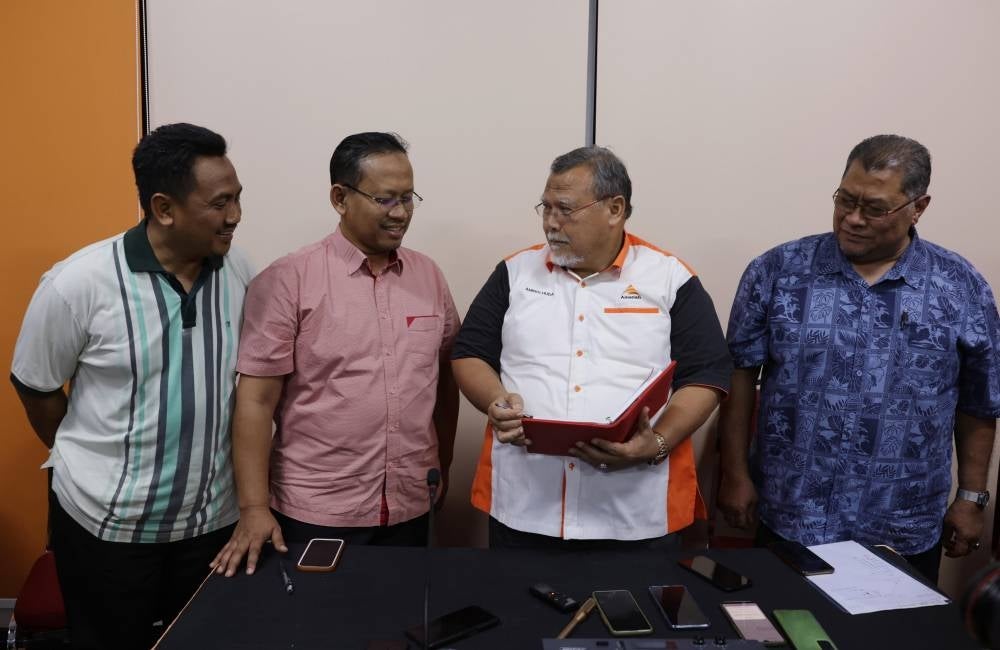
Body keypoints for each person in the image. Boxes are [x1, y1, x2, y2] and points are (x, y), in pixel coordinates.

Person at [718, 134, 1000, 584]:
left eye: (874, 208)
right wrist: (733, 473)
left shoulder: (960, 287)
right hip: (792, 513)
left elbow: (980, 402)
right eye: (844, 200)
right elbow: (738, 375)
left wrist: (971, 497)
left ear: (918, 207)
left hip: (900, 521)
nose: (852, 219)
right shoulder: (777, 271)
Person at [11, 123, 251, 649]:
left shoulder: (238, 272)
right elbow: (37, 388)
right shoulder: (78, 283)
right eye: (219, 203)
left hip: (211, 524)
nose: (235, 216)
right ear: (163, 208)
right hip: (106, 528)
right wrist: (94, 459)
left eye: (237, 198)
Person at [451, 146, 732, 549]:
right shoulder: (514, 273)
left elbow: (706, 375)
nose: (550, 223)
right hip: (526, 506)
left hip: (636, 512)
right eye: (545, 208)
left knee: (636, 613)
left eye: (565, 209)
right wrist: (495, 400)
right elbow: (470, 353)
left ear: (615, 209)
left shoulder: (669, 278)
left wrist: (656, 443)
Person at [211, 132, 459, 577]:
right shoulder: (289, 280)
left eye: (408, 197)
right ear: (340, 198)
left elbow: (444, 378)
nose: (400, 213)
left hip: (409, 505)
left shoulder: (429, 276)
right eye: (385, 199)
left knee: (402, 624)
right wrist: (252, 507)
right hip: (316, 511)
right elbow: (255, 401)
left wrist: (443, 463)